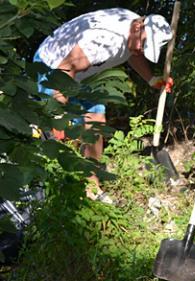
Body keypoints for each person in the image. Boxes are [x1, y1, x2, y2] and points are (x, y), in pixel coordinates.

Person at [34, 8, 173, 203]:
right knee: (64, 133)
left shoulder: (133, 30)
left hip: (80, 77)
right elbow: (65, 69)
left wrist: (151, 79)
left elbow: (133, 52)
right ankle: (57, 193)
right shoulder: (103, 40)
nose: (141, 49)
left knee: (96, 121)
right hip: (52, 68)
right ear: (138, 27)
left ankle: (91, 188)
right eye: (143, 44)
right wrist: (58, 116)